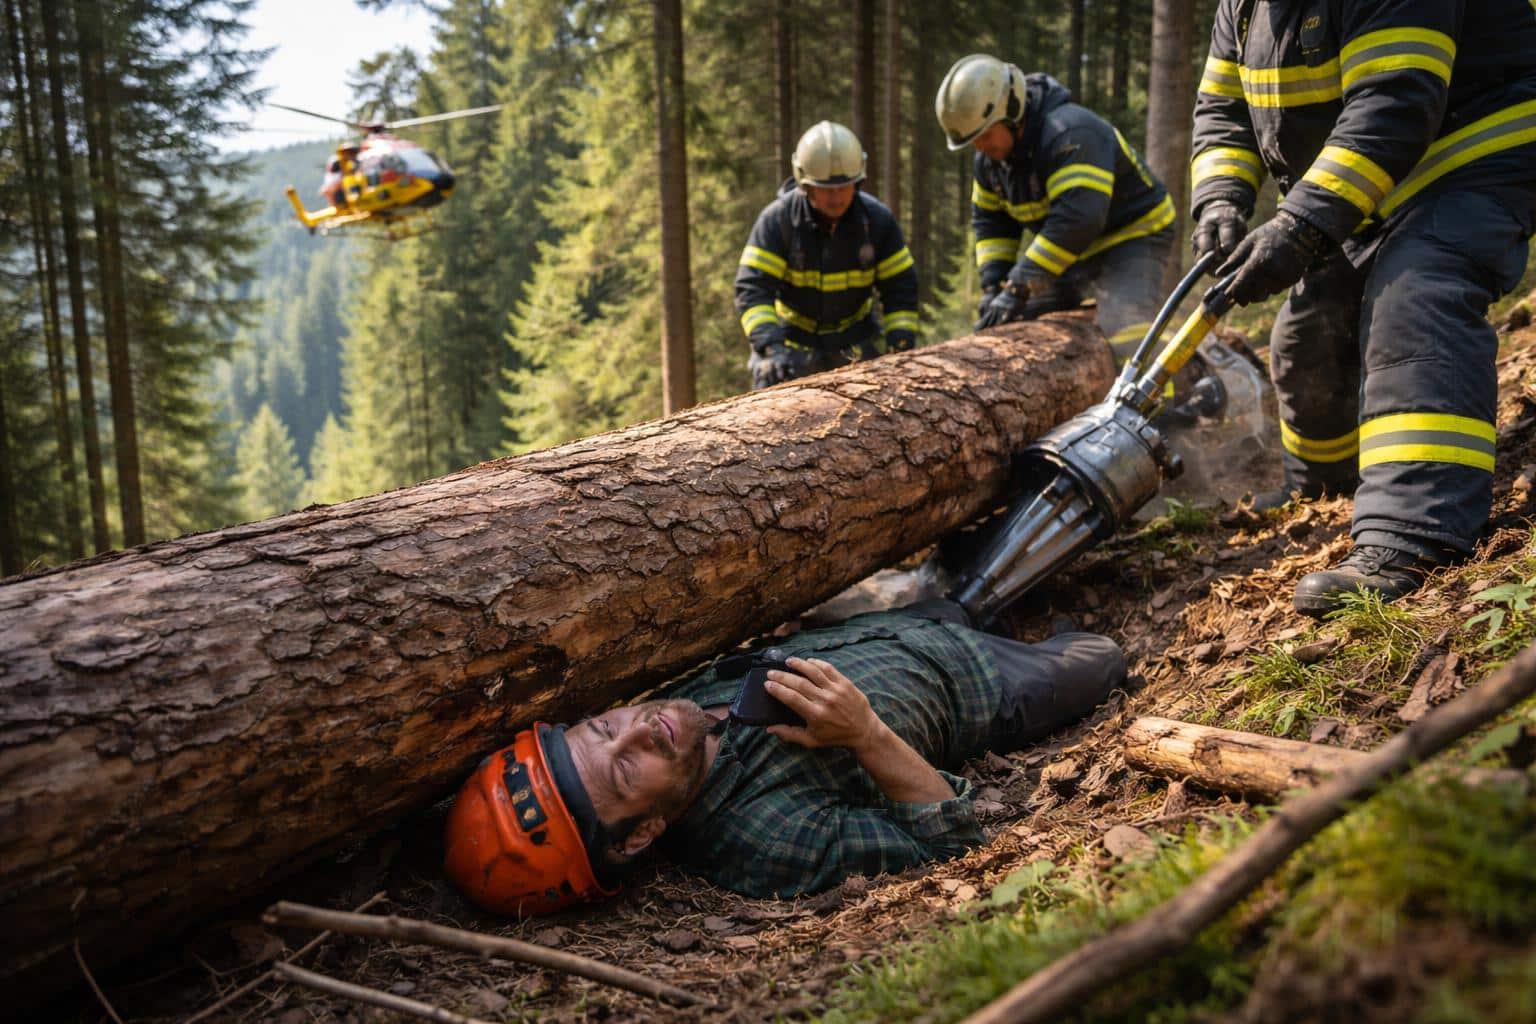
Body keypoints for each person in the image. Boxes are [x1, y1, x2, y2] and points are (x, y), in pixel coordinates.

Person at [443, 599, 1124, 913]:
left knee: (1022, 554)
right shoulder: (763, 841)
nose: (635, 729)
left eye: (599, 728)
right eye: (623, 768)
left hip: (899, 620)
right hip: (977, 683)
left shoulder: (668, 715)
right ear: (645, 831)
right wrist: (866, 733)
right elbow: (950, 843)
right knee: (1105, 656)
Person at [1190, 1, 1536, 615]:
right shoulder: (1240, 7)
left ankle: (1413, 530)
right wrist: (1219, 199)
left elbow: (1395, 100)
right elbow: (1223, 110)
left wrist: (1300, 224)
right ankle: (1326, 483)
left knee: (1415, 295)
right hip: (1373, 181)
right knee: (1305, 339)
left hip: (1477, 154)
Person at [935, 55, 1194, 379]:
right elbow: (991, 224)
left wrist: (1017, 288)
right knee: (1019, 321)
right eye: (972, 140)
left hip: (1134, 235)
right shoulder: (989, 164)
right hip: (1075, 253)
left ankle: (1176, 402)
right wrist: (993, 287)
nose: (980, 146)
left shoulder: (1070, 134)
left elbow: (1079, 220)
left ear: (1012, 113)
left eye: (985, 135)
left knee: (1125, 322)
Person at [735, 121, 920, 390]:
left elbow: (901, 286)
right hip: (790, 347)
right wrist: (771, 347)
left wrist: (900, 347)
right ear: (805, 184)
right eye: (826, 189)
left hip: (855, 346)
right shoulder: (778, 222)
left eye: (843, 187)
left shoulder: (878, 222)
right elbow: (752, 288)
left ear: (858, 182)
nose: (836, 197)